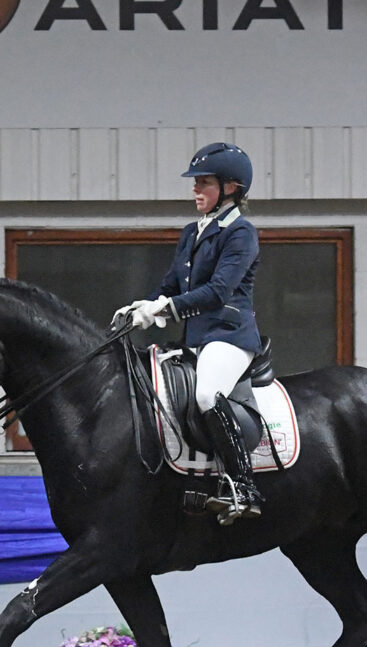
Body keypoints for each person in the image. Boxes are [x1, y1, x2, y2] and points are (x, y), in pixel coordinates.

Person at [112, 142, 264, 523]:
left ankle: (244, 488)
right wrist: (140, 307)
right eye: (196, 182)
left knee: (207, 394)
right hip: (195, 338)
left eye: (204, 183)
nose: (196, 189)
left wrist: (164, 309)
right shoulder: (191, 232)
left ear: (230, 188)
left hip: (229, 336)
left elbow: (217, 291)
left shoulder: (241, 233)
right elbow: (170, 285)